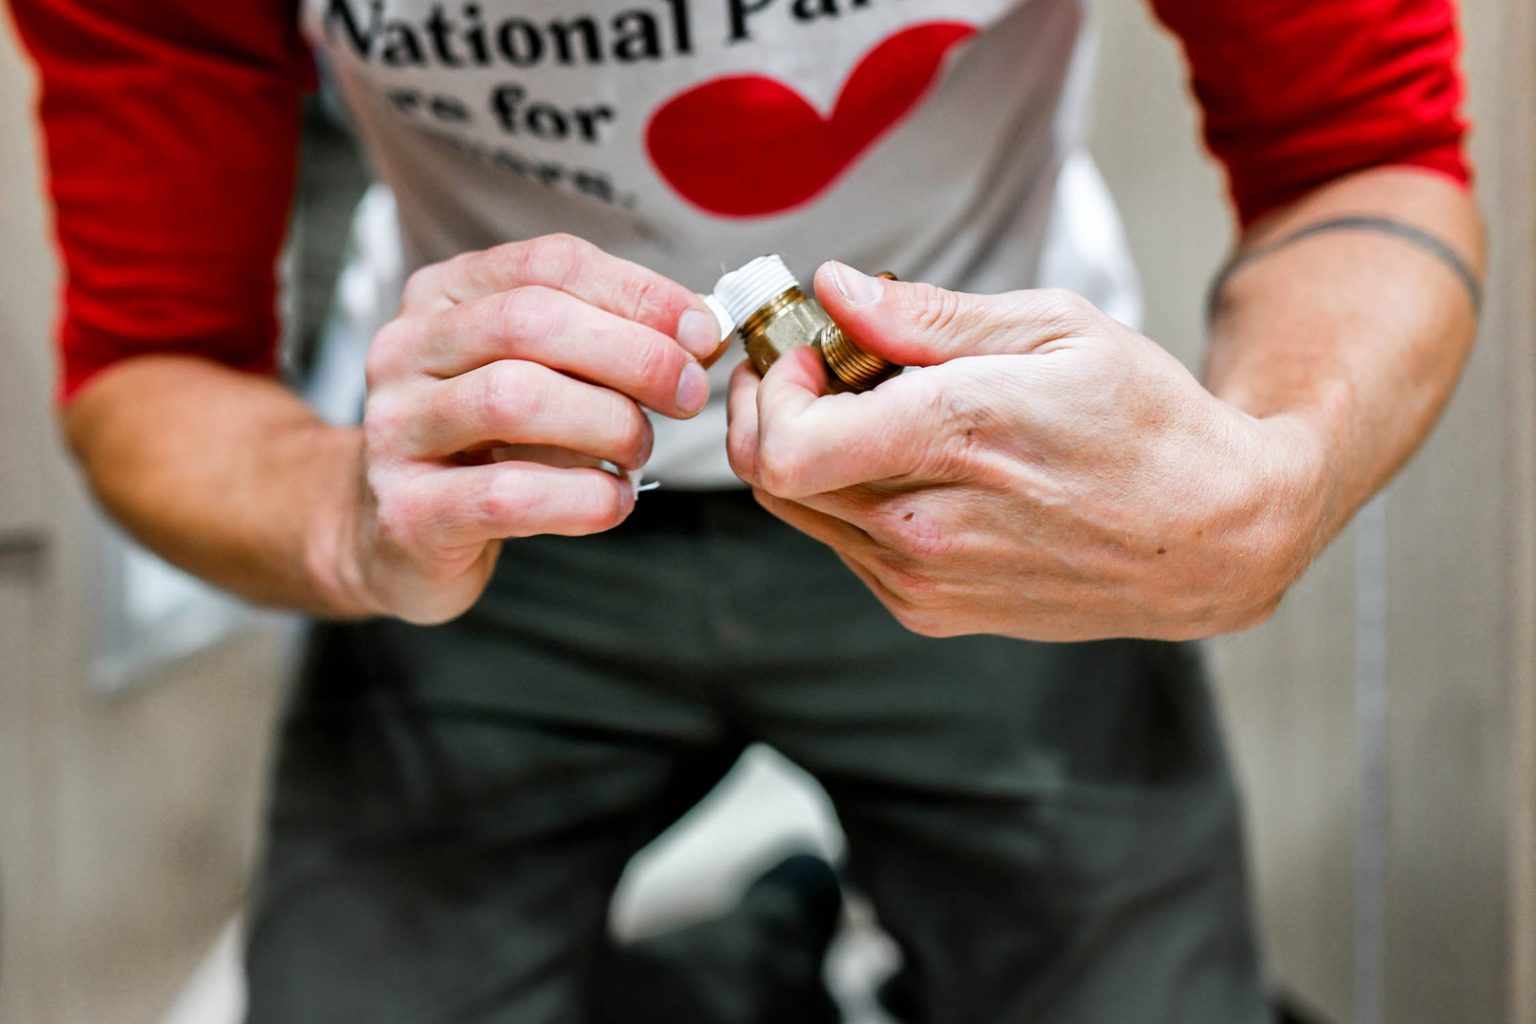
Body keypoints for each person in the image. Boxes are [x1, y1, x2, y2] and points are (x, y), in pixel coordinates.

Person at [10, 0, 1482, 1021]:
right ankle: (756, 955)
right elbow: (152, 363)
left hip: (998, 502)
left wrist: (1281, 474)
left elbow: (1365, 152)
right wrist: (347, 513)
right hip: (490, 538)